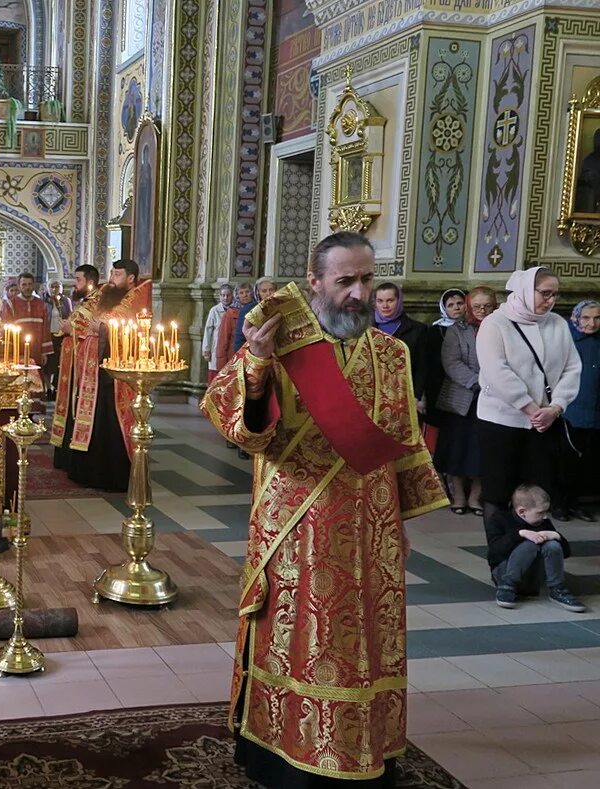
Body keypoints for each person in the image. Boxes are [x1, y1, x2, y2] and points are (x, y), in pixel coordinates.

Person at [201, 231, 447, 787]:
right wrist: (258, 367)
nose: (359, 294)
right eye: (345, 282)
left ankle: (365, 749)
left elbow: (405, 440)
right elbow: (236, 421)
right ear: (314, 282)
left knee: (367, 638)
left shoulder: (393, 354)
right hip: (298, 525)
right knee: (303, 637)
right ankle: (285, 752)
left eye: (367, 280)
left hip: (373, 525)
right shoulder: (279, 345)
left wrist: (402, 523)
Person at [477, 267, 581, 523]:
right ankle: (500, 556)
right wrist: (531, 409)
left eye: (555, 294)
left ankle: (532, 550)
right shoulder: (495, 323)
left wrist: (556, 407)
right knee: (498, 493)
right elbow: (496, 370)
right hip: (502, 422)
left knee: (538, 493)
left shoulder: (557, 324)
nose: (550, 300)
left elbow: (572, 368)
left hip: (545, 424)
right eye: (545, 293)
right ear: (525, 290)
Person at [53, 260, 149, 491]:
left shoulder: (134, 298)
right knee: (92, 420)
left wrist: (100, 329)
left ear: (131, 278)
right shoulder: (108, 293)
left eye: (118, 274)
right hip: (92, 371)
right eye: (112, 273)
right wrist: (90, 328)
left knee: (109, 422)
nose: (113, 278)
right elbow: (92, 320)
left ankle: (109, 476)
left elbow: (120, 328)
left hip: (113, 376)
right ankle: (87, 472)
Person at [433, 288, 492, 516]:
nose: (482, 311)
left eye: (487, 306)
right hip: (461, 398)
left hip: (492, 398)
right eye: (477, 306)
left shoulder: (501, 328)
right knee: (456, 449)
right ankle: (458, 495)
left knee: (482, 450)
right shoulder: (456, 330)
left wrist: (494, 382)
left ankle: (476, 496)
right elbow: (451, 362)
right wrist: (478, 381)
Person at [487, 484, 585, 612]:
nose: (545, 517)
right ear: (522, 512)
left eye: (546, 512)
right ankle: (507, 586)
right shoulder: (500, 520)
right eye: (540, 513)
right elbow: (494, 552)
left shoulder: (543, 523)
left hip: (532, 575)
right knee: (530, 544)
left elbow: (565, 553)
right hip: (505, 572)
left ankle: (557, 588)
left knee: (552, 544)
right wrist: (520, 534)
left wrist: (556, 536)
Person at [51, 263, 100, 470]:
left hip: (82, 366)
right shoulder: (85, 301)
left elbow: (91, 329)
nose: (75, 283)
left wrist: (69, 328)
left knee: (76, 406)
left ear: (89, 281)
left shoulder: (98, 301)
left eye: (78, 279)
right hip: (70, 363)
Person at [563, 299, 600, 521]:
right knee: (565, 460)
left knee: (586, 462)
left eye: (597, 318)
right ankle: (560, 503)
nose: (592, 323)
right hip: (570, 409)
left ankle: (575, 502)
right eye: (586, 317)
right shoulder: (567, 339)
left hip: (594, 410)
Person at [374, 282, 428, 405]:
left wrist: (416, 395)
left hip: (404, 393)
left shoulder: (417, 329)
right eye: (380, 301)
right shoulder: (365, 328)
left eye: (390, 300)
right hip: (373, 393)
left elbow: (421, 366)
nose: (385, 305)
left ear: (399, 300)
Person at [424, 288, 466, 433]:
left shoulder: (471, 327)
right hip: (439, 385)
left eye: (460, 303)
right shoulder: (435, 331)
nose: (456, 307)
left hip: (465, 385)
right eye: (451, 305)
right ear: (444, 308)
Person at [0, 272, 53, 369]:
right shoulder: (11, 304)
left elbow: (45, 329)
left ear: (33, 285)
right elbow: (7, 330)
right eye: (24, 284)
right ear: (19, 286)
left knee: (37, 379)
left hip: (37, 350)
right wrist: (9, 351)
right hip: (18, 350)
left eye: (29, 284)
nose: (27, 287)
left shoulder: (41, 304)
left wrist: (44, 352)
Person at [42, 279, 74, 399]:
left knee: (58, 363)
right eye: (52, 287)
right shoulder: (43, 300)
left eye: (57, 286)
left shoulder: (66, 301)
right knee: (48, 364)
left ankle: (56, 388)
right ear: (48, 288)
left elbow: (70, 315)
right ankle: (47, 388)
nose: (54, 289)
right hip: (48, 335)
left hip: (61, 336)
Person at [213, 282, 251, 374]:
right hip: (235, 357)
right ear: (237, 296)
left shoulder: (257, 309)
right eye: (241, 293)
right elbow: (223, 340)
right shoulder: (230, 314)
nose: (245, 295)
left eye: (247, 292)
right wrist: (222, 367)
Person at [231, 277, 277, 352]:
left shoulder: (282, 306)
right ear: (258, 292)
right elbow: (239, 339)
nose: (268, 293)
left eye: (271, 290)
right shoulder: (248, 309)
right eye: (264, 291)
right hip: (255, 353)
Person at [202, 283, 233, 383]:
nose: (225, 298)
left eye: (228, 295)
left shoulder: (235, 310)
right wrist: (206, 349)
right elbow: (208, 331)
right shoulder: (214, 311)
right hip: (215, 348)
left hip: (230, 348)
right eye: (223, 295)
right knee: (215, 377)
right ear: (219, 296)